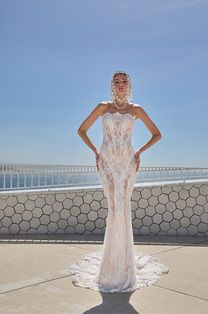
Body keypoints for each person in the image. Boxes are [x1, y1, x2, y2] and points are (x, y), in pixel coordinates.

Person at [67, 71, 169, 293]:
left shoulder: (136, 110)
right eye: (117, 82)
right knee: (113, 209)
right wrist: (95, 152)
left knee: (123, 209)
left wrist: (139, 152)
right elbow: (81, 130)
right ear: (111, 85)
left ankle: (125, 268)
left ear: (129, 85)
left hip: (126, 163)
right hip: (107, 162)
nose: (120, 85)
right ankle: (110, 268)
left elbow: (157, 134)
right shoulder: (103, 107)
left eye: (124, 81)